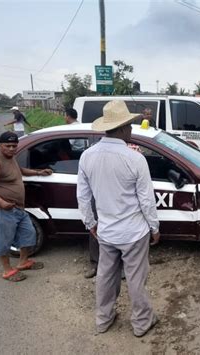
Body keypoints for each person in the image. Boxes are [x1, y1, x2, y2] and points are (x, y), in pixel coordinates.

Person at [77, 100, 160, 336]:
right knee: (135, 279)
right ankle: (142, 323)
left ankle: (103, 319)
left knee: (105, 276)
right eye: (130, 125)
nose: (132, 130)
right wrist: (154, 227)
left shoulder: (87, 157)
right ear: (123, 128)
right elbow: (146, 200)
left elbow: (83, 196)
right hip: (134, 232)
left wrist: (90, 223)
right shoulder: (134, 159)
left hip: (106, 230)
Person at [0, 131, 52, 282]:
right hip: (2, 209)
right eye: (8, 146)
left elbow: (19, 171)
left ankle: (23, 262)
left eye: (14, 146)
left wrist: (39, 172)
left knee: (29, 234)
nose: (12, 149)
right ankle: (7, 271)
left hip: (17, 208)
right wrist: (2, 203)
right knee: (4, 240)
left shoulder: (11, 158)